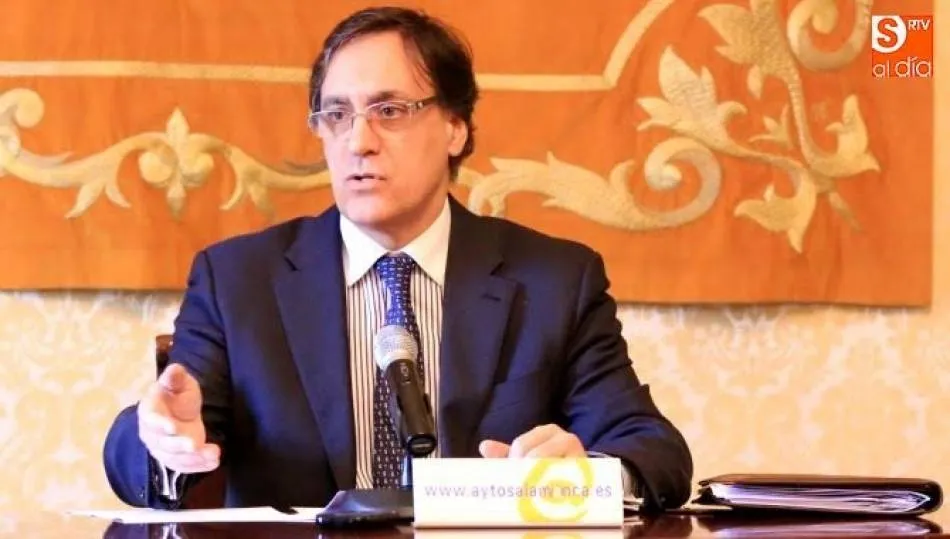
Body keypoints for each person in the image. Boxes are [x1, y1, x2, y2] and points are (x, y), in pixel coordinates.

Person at [102, 5, 693, 511]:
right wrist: (161, 440)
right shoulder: (239, 281)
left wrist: (588, 473)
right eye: (337, 116)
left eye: (389, 111)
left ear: (455, 127)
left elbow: (654, 451)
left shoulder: (553, 281)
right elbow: (157, 447)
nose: (358, 141)